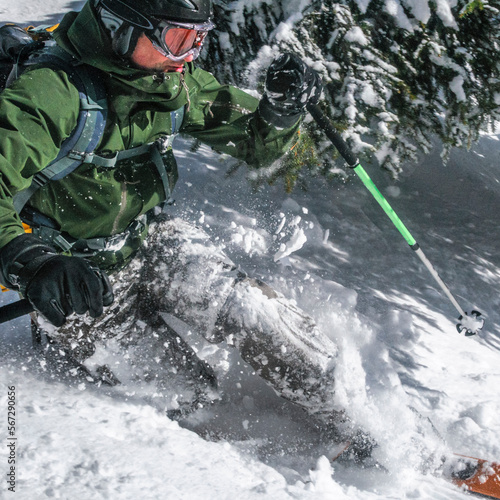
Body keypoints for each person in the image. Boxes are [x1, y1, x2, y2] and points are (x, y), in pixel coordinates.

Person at [0, 0, 371, 457]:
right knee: (187, 393)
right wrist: (35, 263)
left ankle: (360, 426)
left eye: (197, 39)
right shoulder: (50, 93)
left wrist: (280, 110)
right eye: (176, 39)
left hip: (150, 240)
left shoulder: (169, 80)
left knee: (255, 313)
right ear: (120, 29)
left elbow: (252, 140)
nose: (189, 55)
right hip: (80, 283)